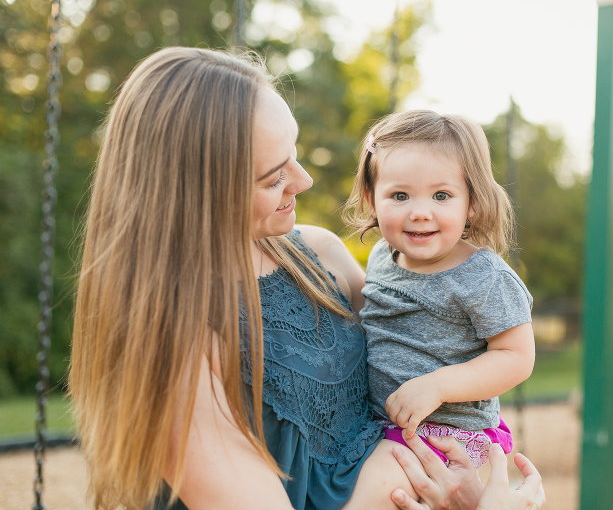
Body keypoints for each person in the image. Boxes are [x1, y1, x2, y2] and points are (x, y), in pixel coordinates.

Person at [68, 47, 544, 510]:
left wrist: (461, 484)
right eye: (274, 176)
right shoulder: (173, 342)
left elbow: (436, 344)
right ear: (202, 190)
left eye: (293, 153)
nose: (304, 180)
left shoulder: (320, 254)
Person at [344, 111, 536, 469]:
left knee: (374, 490)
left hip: (446, 433)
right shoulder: (382, 257)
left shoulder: (484, 276)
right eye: (400, 195)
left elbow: (517, 357)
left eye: (441, 196)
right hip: (377, 424)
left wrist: (438, 386)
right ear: (372, 200)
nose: (420, 212)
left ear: (472, 203)